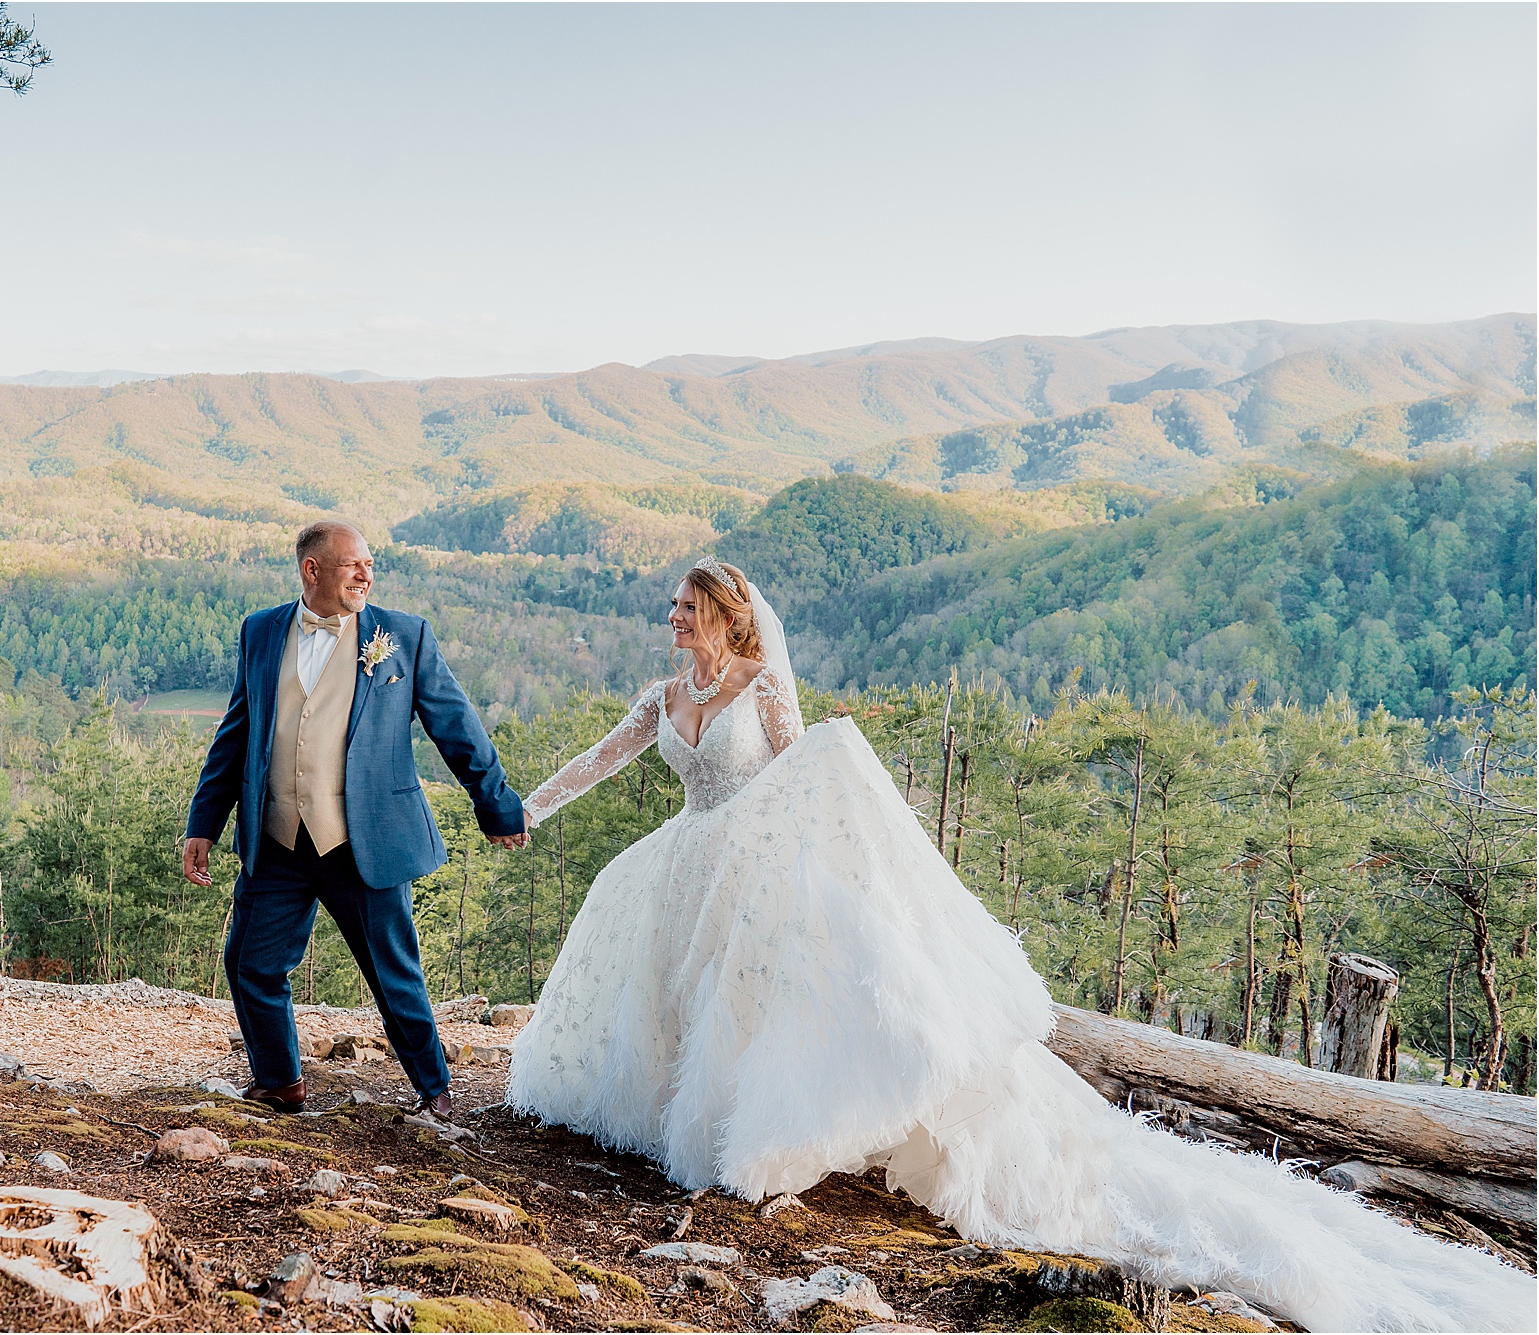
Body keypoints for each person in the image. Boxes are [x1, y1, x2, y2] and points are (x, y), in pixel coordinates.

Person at [506, 554, 1534, 1333]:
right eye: (673, 609)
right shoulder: (661, 697)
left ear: (726, 620)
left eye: (686, 609)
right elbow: (597, 761)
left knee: (749, 1008)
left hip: (751, 868)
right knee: (664, 996)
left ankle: (755, 1137)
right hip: (684, 861)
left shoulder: (761, 692)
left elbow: (800, 779)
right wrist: (523, 809)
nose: (671, 619)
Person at [183, 520, 529, 1117]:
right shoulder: (261, 631)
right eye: (353, 566)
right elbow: (235, 732)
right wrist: (204, 822)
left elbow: (457, 726)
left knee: (393, 974)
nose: (367, 575)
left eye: (370, 564)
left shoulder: (404, 637)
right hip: (279, 838)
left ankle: (435, 1091)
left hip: (363, 841)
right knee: (251, 963)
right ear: (312, 570)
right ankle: (279, 1081)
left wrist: (495, 803)